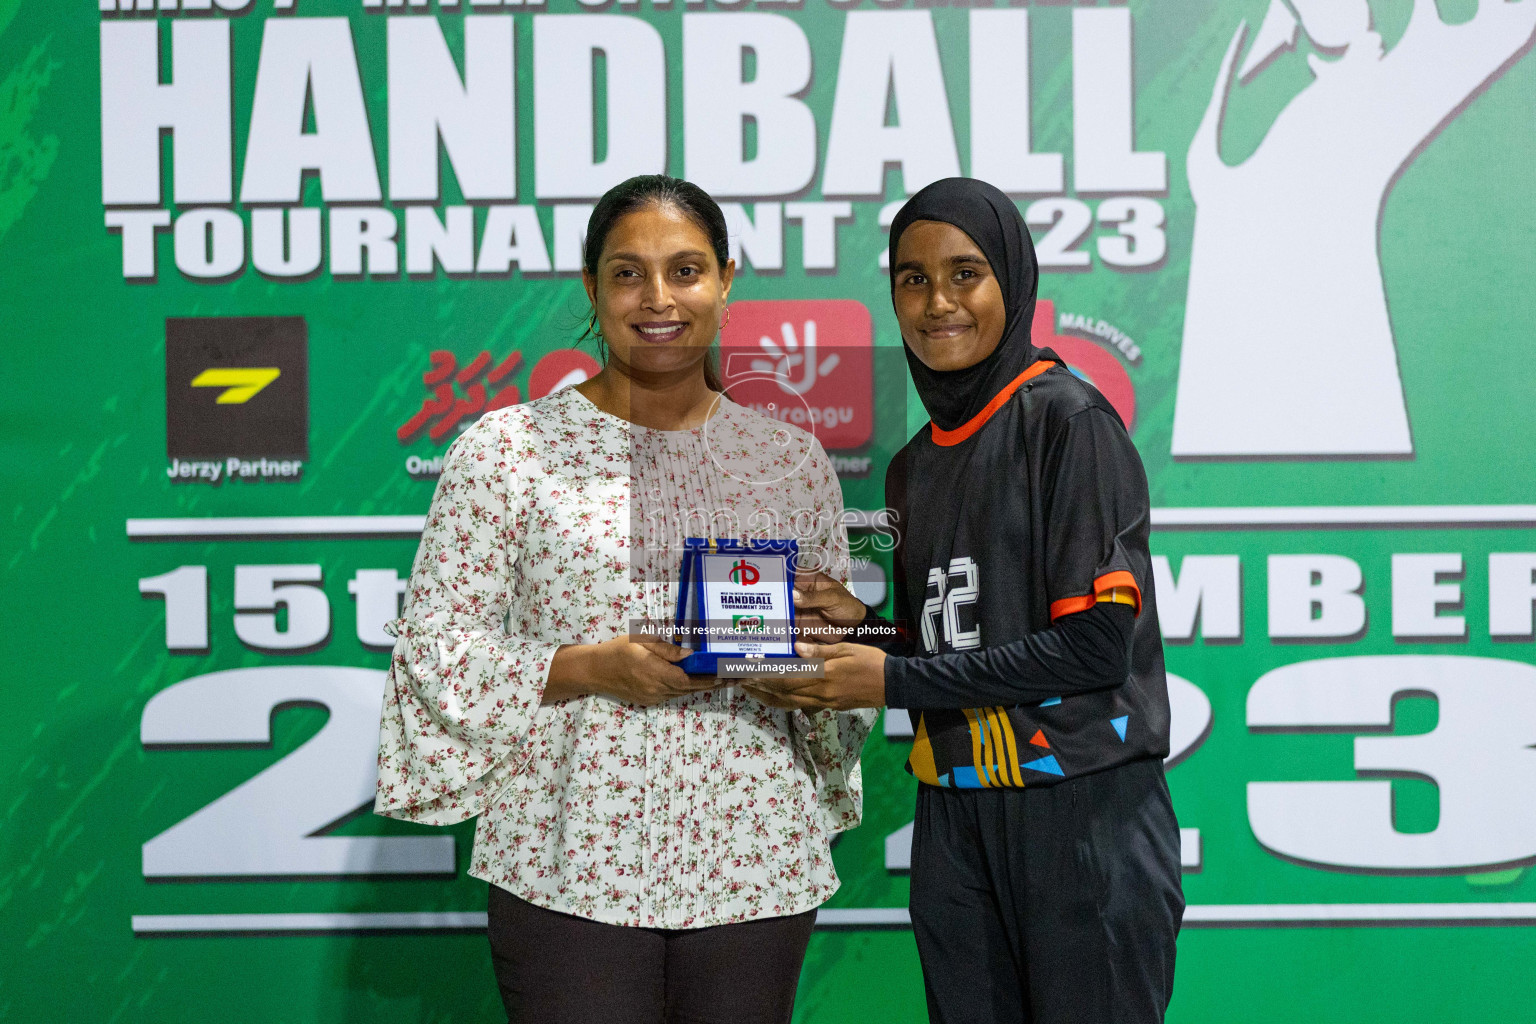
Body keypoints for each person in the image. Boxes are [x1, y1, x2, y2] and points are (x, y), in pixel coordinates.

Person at [374, 174, 877, 1024]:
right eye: (628, 273)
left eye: (685, 270)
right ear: (591, 286)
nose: (658, 299)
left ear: (726, 279)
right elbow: (435, 651)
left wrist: (825, 651)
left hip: (753, 861)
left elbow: (828, 673)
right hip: (566, 859)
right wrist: (589, 666)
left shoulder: (789, 461)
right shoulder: (507, 452)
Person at [746, 177, 1183, 1023]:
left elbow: (1095, 647)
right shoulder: (917, 462)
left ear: (1012, 283)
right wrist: (865, 625)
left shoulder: (1069, 421)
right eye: (913, 279)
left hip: (1081, 811)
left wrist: (885, 680)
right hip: (956, 814)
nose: (937, 302)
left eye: (965, 273)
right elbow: (954, 640)